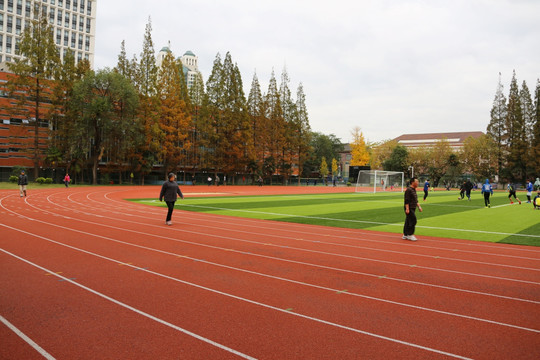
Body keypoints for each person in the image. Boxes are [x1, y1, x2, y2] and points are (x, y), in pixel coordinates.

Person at [403, 177, 423, 241]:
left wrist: (419, 206)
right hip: (409, 208)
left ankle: (405, 234)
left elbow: (415, 200)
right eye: (416, 181)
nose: (418, 183)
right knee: (413, 220)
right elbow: (406, 200)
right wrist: (407, 209)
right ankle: (410, 234)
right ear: (412, 182)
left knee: (408, 221)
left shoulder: (414, 190)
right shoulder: (408, 190)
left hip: (413, 207)